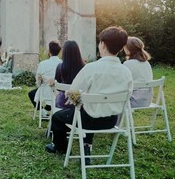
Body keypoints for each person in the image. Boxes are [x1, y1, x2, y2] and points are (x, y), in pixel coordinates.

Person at [46, 26, 133, 166]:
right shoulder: (126, 72)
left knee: (58, 117)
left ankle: (60, 147)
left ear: (102, 44)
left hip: (88, 120)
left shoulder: (91, 68)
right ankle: (86, 146)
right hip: (111, 121)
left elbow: (73, 91)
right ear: (121, 48)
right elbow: (128, 94)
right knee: (90, 110)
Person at [28, 41, 62, 112]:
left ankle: (42, 111)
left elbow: (38, 80)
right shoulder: (62, 63)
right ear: (59, 52)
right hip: (58, 91)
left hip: (45, 91)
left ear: (49, 51)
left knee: (31, 94)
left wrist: (40, 84)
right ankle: (48, 107)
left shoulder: (42, 64)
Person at [123, 36, 153, 108]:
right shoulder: (146, 63)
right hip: (147, 101)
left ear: (128, 50)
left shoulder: (128, 64)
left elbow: (122, 82)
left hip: (132, 101)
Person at [54, 40, 85, 109]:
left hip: (63, 102)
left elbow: (57, 86)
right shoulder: (84, 67)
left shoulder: (60, 67)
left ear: (64, 52)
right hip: (79, 103)